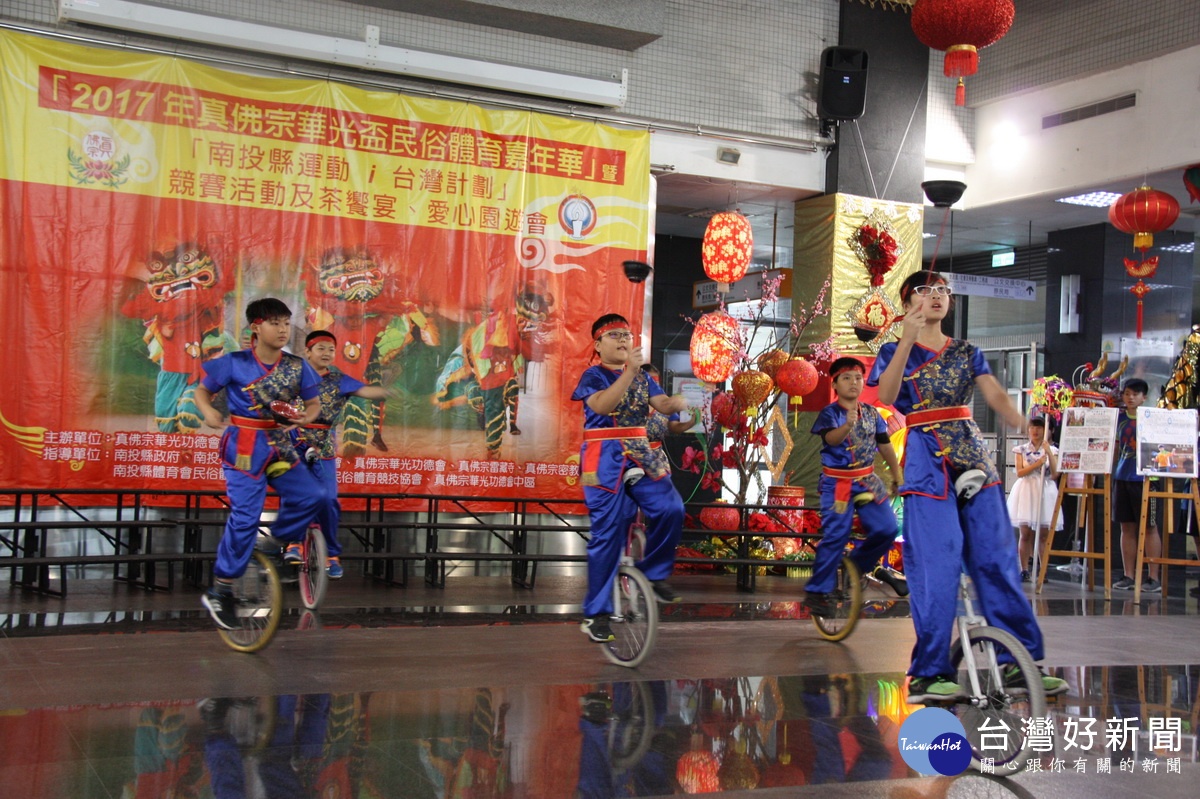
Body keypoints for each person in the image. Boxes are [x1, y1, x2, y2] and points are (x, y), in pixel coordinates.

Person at [869, 271, 1067, 703]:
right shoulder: (891, 350)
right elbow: (886, 394)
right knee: (936, 567)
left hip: (972, 454)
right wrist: (905, 338)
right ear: (908, 302)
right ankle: (929, 672)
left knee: (998, 560)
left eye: (943, 291)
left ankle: (1019, 664)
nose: (936, 297)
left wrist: (1017, 419)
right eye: (925, 291)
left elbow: (993, 394)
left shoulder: (966, 351)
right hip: (926, 461)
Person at [194, 297, 327, 629]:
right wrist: (209, 411)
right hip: (243, 448)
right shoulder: (234, 362)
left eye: (286, 323)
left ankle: (277, 541)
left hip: (280, 445)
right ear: (256, 327)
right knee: (244, 518)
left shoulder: (297, 366)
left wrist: (302, 419)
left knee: (316, 495)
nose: (283, 330)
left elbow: (313, 405)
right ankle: (221, 590)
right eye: (275, 323)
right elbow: (202, 391)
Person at [571, 314, 688, 642]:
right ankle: (595, 614)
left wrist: (679, 404)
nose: (623, 340)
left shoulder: (642, 378)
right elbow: (604, 405)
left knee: (672, 508)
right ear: (598, 345)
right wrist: (630, 373)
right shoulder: (592, 375)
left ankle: (653, 573)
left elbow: (662, 403)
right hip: (604, 457)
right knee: (607, 536)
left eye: (627, 334)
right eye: (614, 335)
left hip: (640, 453)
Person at [805, 357, 904, 616]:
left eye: (858, 378)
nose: (854, 383)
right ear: (835, 384)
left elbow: (885, 446)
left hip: (867, 480)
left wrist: (897, 475)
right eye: (846, 378)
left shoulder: (872, 413)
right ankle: (817, 591)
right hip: (837, 483)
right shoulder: (830, 413)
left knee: (888, 528)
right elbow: (832, 440)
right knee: (837, 534)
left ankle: (857, 566)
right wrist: (847, 425)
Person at [289, 330, 390, 580]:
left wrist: (387, 391)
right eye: (320, 348)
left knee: (329, 500)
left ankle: (331, 554)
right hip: (294, 443)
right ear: (307, 352)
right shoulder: (292, 378)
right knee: (295, 495)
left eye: (331, 349)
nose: (327, 353)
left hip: (323, 447)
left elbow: (366, 391)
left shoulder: (339, 380)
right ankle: (293, 543)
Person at [1111, 377, 1162, 592]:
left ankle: (1153, 578)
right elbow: (1114, 447)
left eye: (1135, 394)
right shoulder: (1119, 419)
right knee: (1126, 527)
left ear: (1144, 397)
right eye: (1127, 394)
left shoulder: (1152, 419)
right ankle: (1129, 575)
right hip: (1122, 477)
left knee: (1149, 527)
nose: (1130, 398)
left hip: (1146, 479)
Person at [1007, 417, 1062, 582]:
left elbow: (1054, 473)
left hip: (1045, 490)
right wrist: (1037, 463)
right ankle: (1024, 569)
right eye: (1032, 427)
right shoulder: (1021, 449)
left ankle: (1043, 569)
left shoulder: (1052, 450)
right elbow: (1020, 472)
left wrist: (1049, 453)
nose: (1035, 431)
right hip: (1026, 489)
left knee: (1043, 534)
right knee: (1025, 533)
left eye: (1039, 427)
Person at [641, 364, 699, 444]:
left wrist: (692, 421)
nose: (653, 386)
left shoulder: (666, 404)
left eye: (655, 383)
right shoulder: (632, 402)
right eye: (650, 382)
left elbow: (674, 427)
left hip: (656, 453)